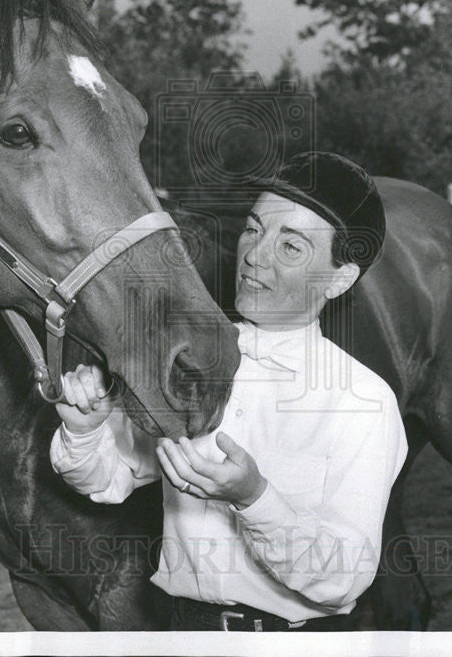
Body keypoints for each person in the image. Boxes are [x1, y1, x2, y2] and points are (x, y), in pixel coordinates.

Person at [49, 151, 408, 632]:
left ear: (339, 279)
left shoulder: (363, 402)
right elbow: (104, 480)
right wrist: (85, 428)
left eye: (292, 247)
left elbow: (344, 578)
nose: (255, 255)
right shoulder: (188, 361)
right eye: (254, 228)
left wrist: (254, 498)